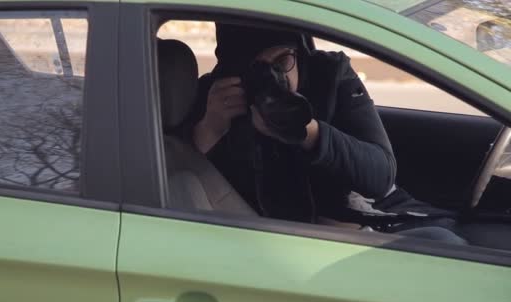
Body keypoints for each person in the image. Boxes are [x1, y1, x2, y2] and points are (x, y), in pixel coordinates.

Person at [176, 23, 467, 245]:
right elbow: (169, 181)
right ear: (235, 70)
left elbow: (381, 175)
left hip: (370, 216)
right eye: (258, 69)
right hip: (305, 243)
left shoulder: (329, 75)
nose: (279, 77)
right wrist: (209, 129)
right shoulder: (217, 98)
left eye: (283, 61)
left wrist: (311, 134)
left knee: (451, 245)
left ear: (299, 53)